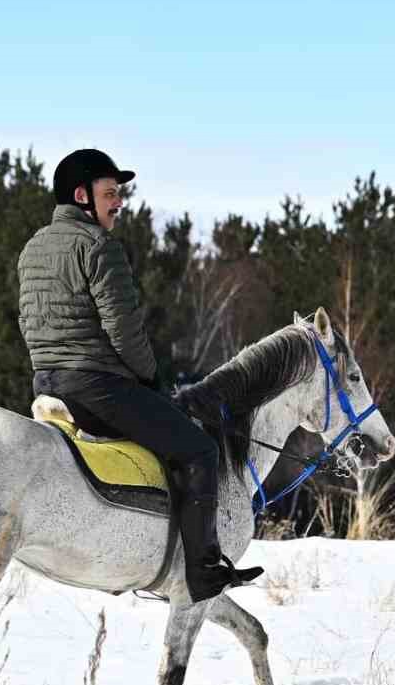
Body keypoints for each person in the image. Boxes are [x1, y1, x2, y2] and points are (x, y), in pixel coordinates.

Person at [18, 148, 261, 603]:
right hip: (97, 387)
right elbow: (123, 329)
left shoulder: (34, 247)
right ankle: (203, 569)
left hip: (46, 382)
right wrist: (150, 379)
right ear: (81, 195)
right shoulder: (97, 246)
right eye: (110, 193)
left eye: (119, 194)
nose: (119, 202)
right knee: (198, 449)